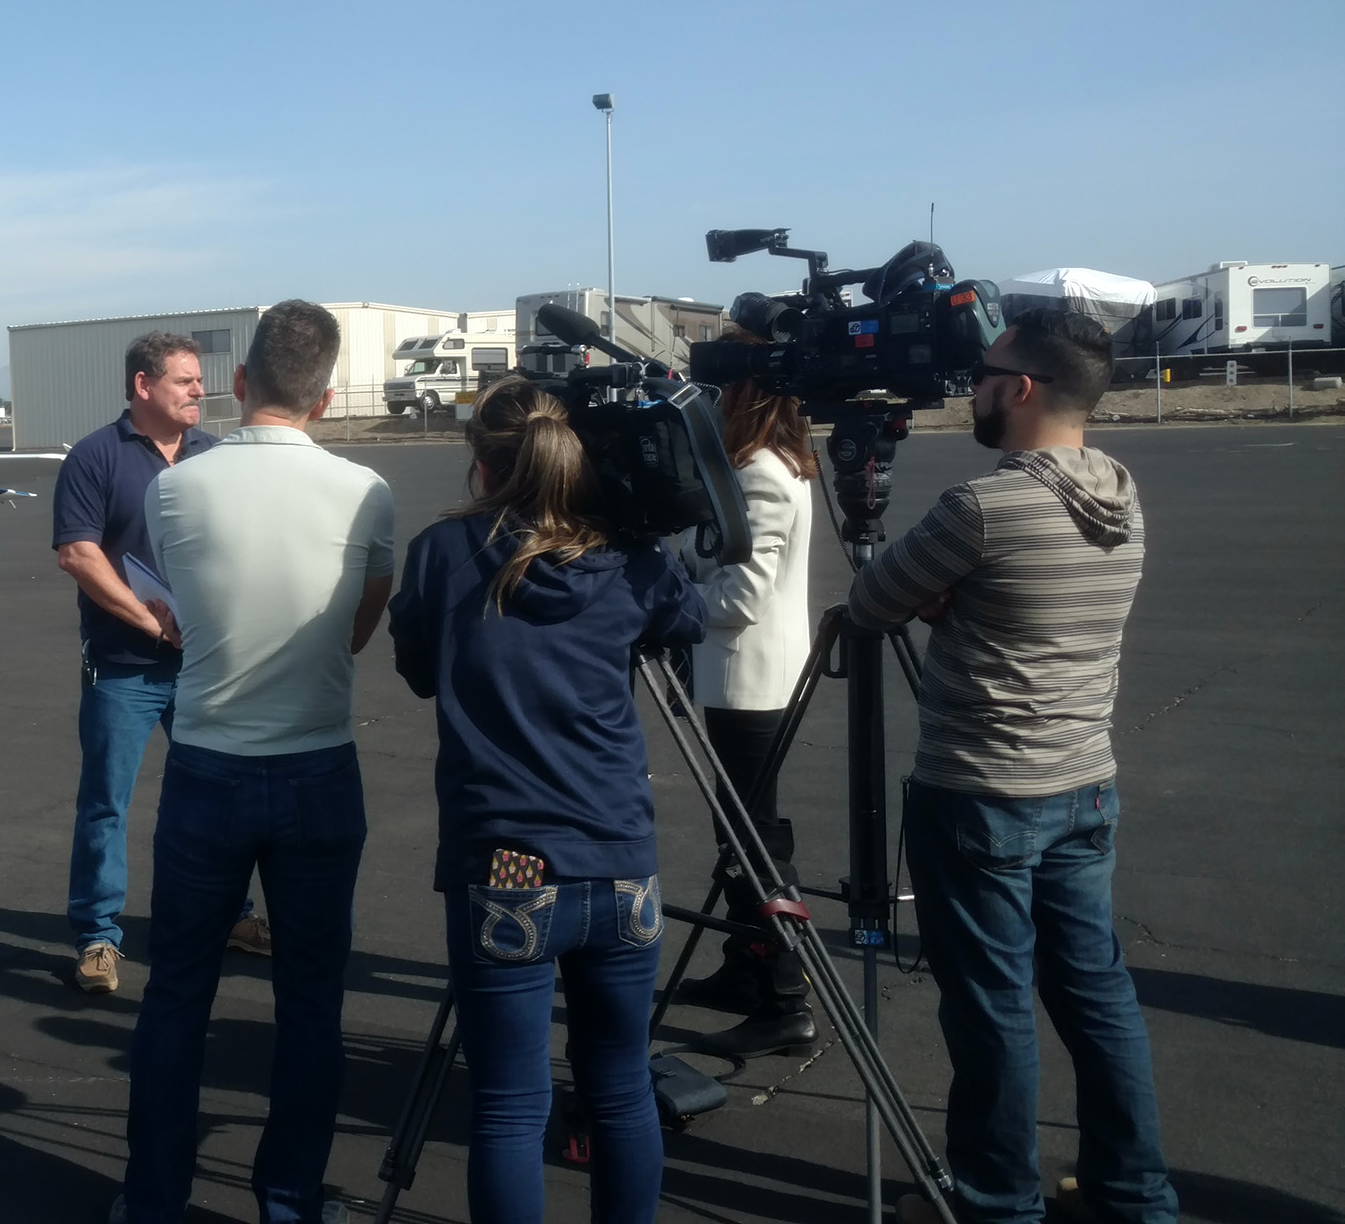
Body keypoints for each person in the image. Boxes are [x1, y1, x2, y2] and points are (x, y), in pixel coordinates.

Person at [848, 308, 1175, 1224]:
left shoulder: (984, 507)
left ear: (1022, 388)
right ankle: (1134, 1191)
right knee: (1096, 994)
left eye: (986, 373)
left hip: (984, 791)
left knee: (993, 1008)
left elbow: (874, 600)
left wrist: (943, 603)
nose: (974, 388)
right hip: (1083, 784)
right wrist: (962, 604)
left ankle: (996, 1203)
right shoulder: (1118, 485)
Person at [388, 375, 703, 1224]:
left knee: (509, 1105)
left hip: (509, 865)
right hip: (618, 860)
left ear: (483, 464)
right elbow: (685, 622)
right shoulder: (629, 557)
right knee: (622, 1089)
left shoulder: (444, 553)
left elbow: (419, 668)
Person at [115, 301, 394, 1224]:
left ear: (240, 384)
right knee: (311, 1004)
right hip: (317, 767)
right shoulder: (366, 492)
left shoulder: (176, 490)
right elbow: (358, 624)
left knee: (178, 995)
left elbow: (189, 600)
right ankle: (290, 1201)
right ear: (323, 396)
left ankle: (153, 1200)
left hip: (208, 765)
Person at [53, 334, 269, 996]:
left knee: (219, 796)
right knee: (106, 804)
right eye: (184, 381)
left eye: (199, 381)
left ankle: (232, 915)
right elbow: (78, 554)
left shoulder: (214, 457)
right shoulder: (95, 457)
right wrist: (150, 621)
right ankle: (96, 936)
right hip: (125, 668)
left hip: (204, 664)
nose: (199, 391)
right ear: (144, 386)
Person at [670, 337, 820, 1058]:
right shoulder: (773, 465)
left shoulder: (761, 472)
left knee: (755, 844)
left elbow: (740, 596)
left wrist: (671, 592)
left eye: (723, 392)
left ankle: (785, 995)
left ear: (746, 397)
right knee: (742, 835)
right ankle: (746, 967)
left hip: (749, 681)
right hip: (747, 678)